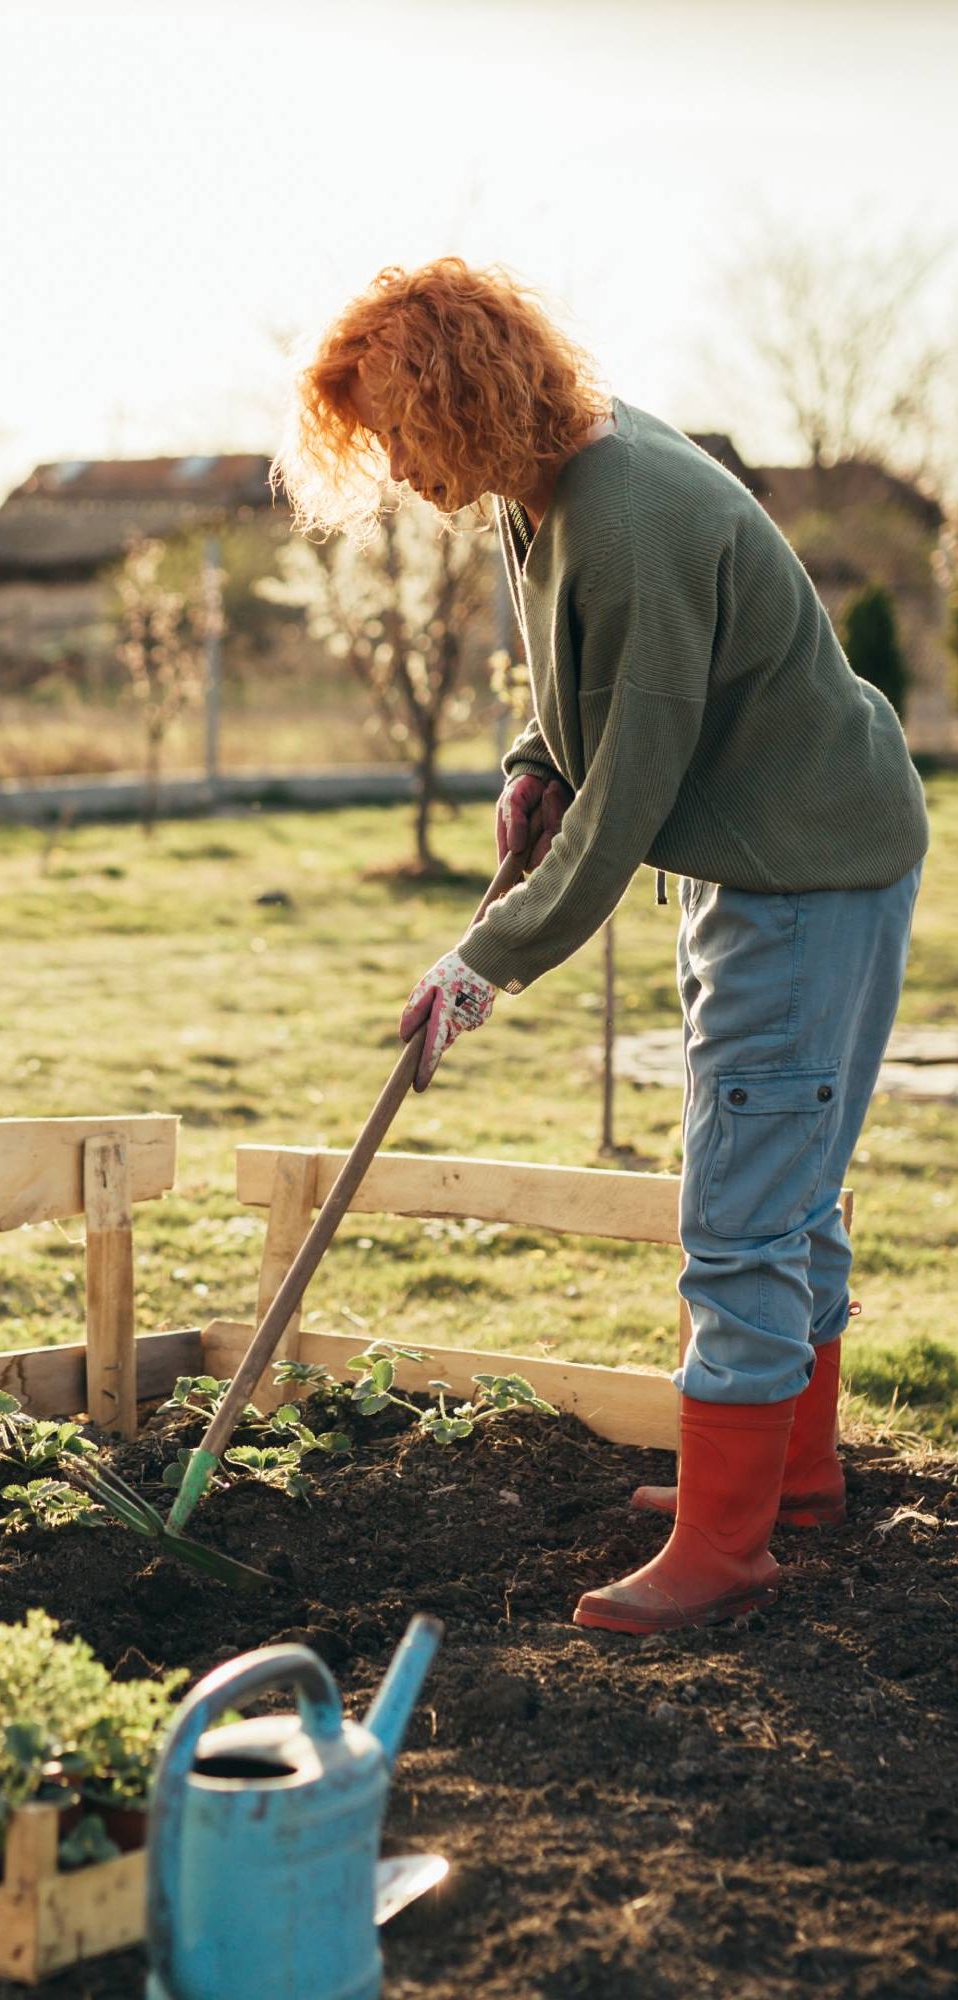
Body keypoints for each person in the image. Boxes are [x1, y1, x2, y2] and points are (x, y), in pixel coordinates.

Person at [274, 257, 928, 1635]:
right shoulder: (552, 484)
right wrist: (531, 756)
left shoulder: (628, 510)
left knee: (742, 1209)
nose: (393, 468)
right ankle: (784, 1484)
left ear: (465, 399)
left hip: (804, 871)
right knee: (778, 1177)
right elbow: (578, 685)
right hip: (764, 852)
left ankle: (725, 1546)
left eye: (400, 433)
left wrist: (483, 964)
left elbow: (629, 787)